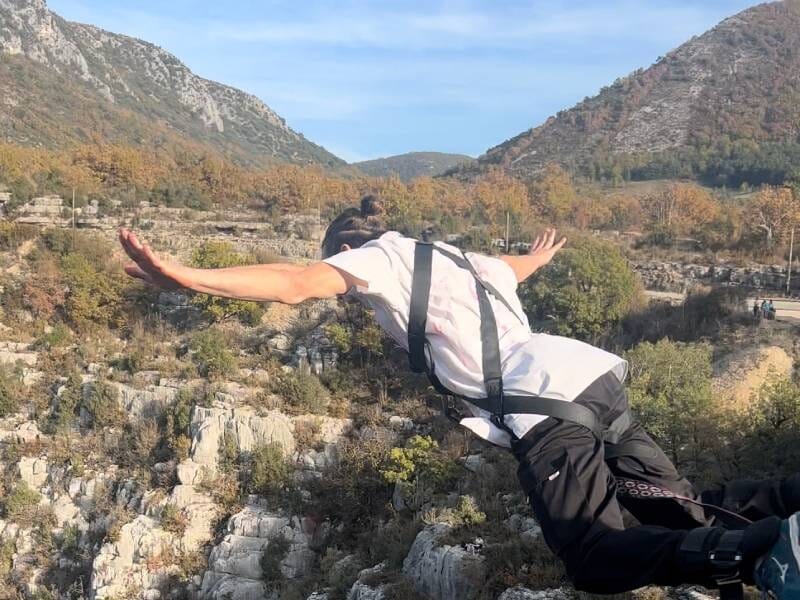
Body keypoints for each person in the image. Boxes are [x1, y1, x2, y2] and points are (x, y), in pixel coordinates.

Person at [118, 195, 800, 599]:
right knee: (678, 510)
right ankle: (788, 504)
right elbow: (519, 268)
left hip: (545, 410)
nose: (347, 287)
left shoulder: (378, 258)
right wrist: (541, 256)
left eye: (341, 264)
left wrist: (187, 276)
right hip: (590, 377)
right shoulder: (458, 257)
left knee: (592, 554)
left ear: (347, 246)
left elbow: (294, 282)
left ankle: (761, 553)